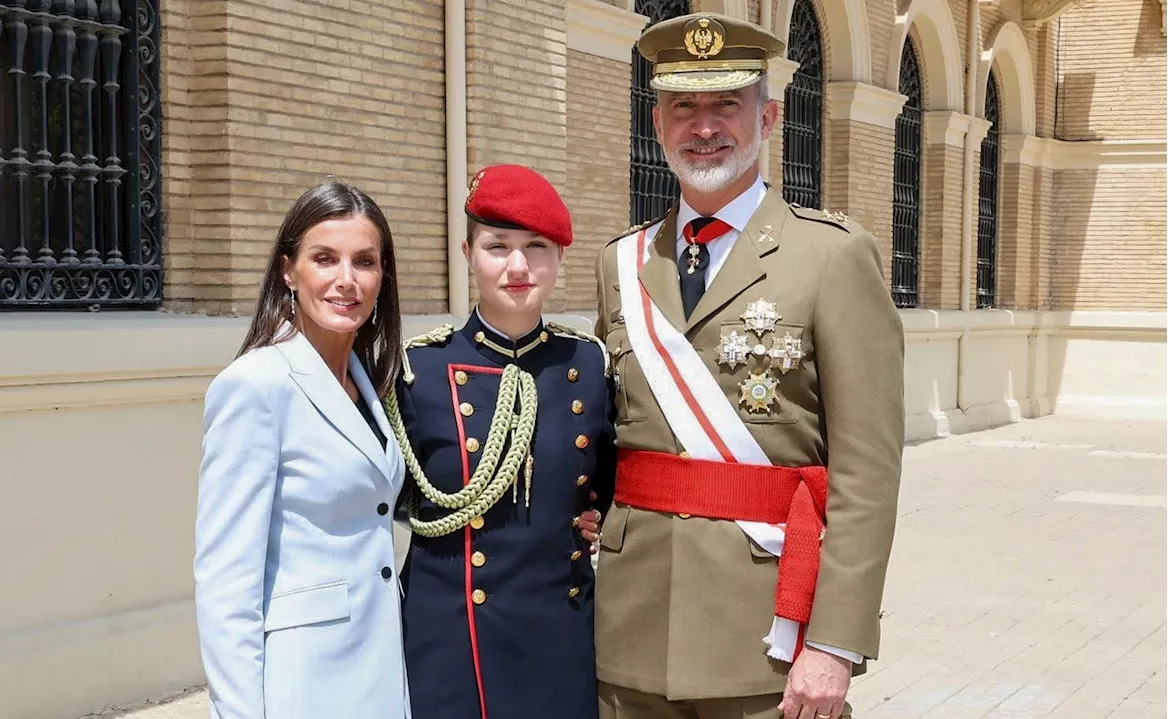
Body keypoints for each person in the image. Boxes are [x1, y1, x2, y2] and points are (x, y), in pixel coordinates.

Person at [591, 13, 905, 719]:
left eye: (726, 104)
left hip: (766, 643)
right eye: (685, 107)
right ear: (657, 122)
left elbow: (868, 476)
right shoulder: (621, 264)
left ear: (767, 117)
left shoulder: (832, 258)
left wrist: (835, 642)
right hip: (631, 632)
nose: (705, 127)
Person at [384, 164, 615, 719]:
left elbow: (613, 479)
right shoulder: (416, 369)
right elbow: (387, 498)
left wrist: (602, 521)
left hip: (561, 633)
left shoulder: (589, 362)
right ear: (468, 253)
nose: (517, 266)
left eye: (536, 246)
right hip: (450, 638)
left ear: (560, 256)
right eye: (497, 246)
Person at [194, 181, 411, 719]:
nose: (347, 279)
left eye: (365, 261)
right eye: (324, 258)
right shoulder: (256, 386)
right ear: (289, 270)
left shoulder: (370, 383)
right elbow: (226, 581)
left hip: (382, 663)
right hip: (303, 680)